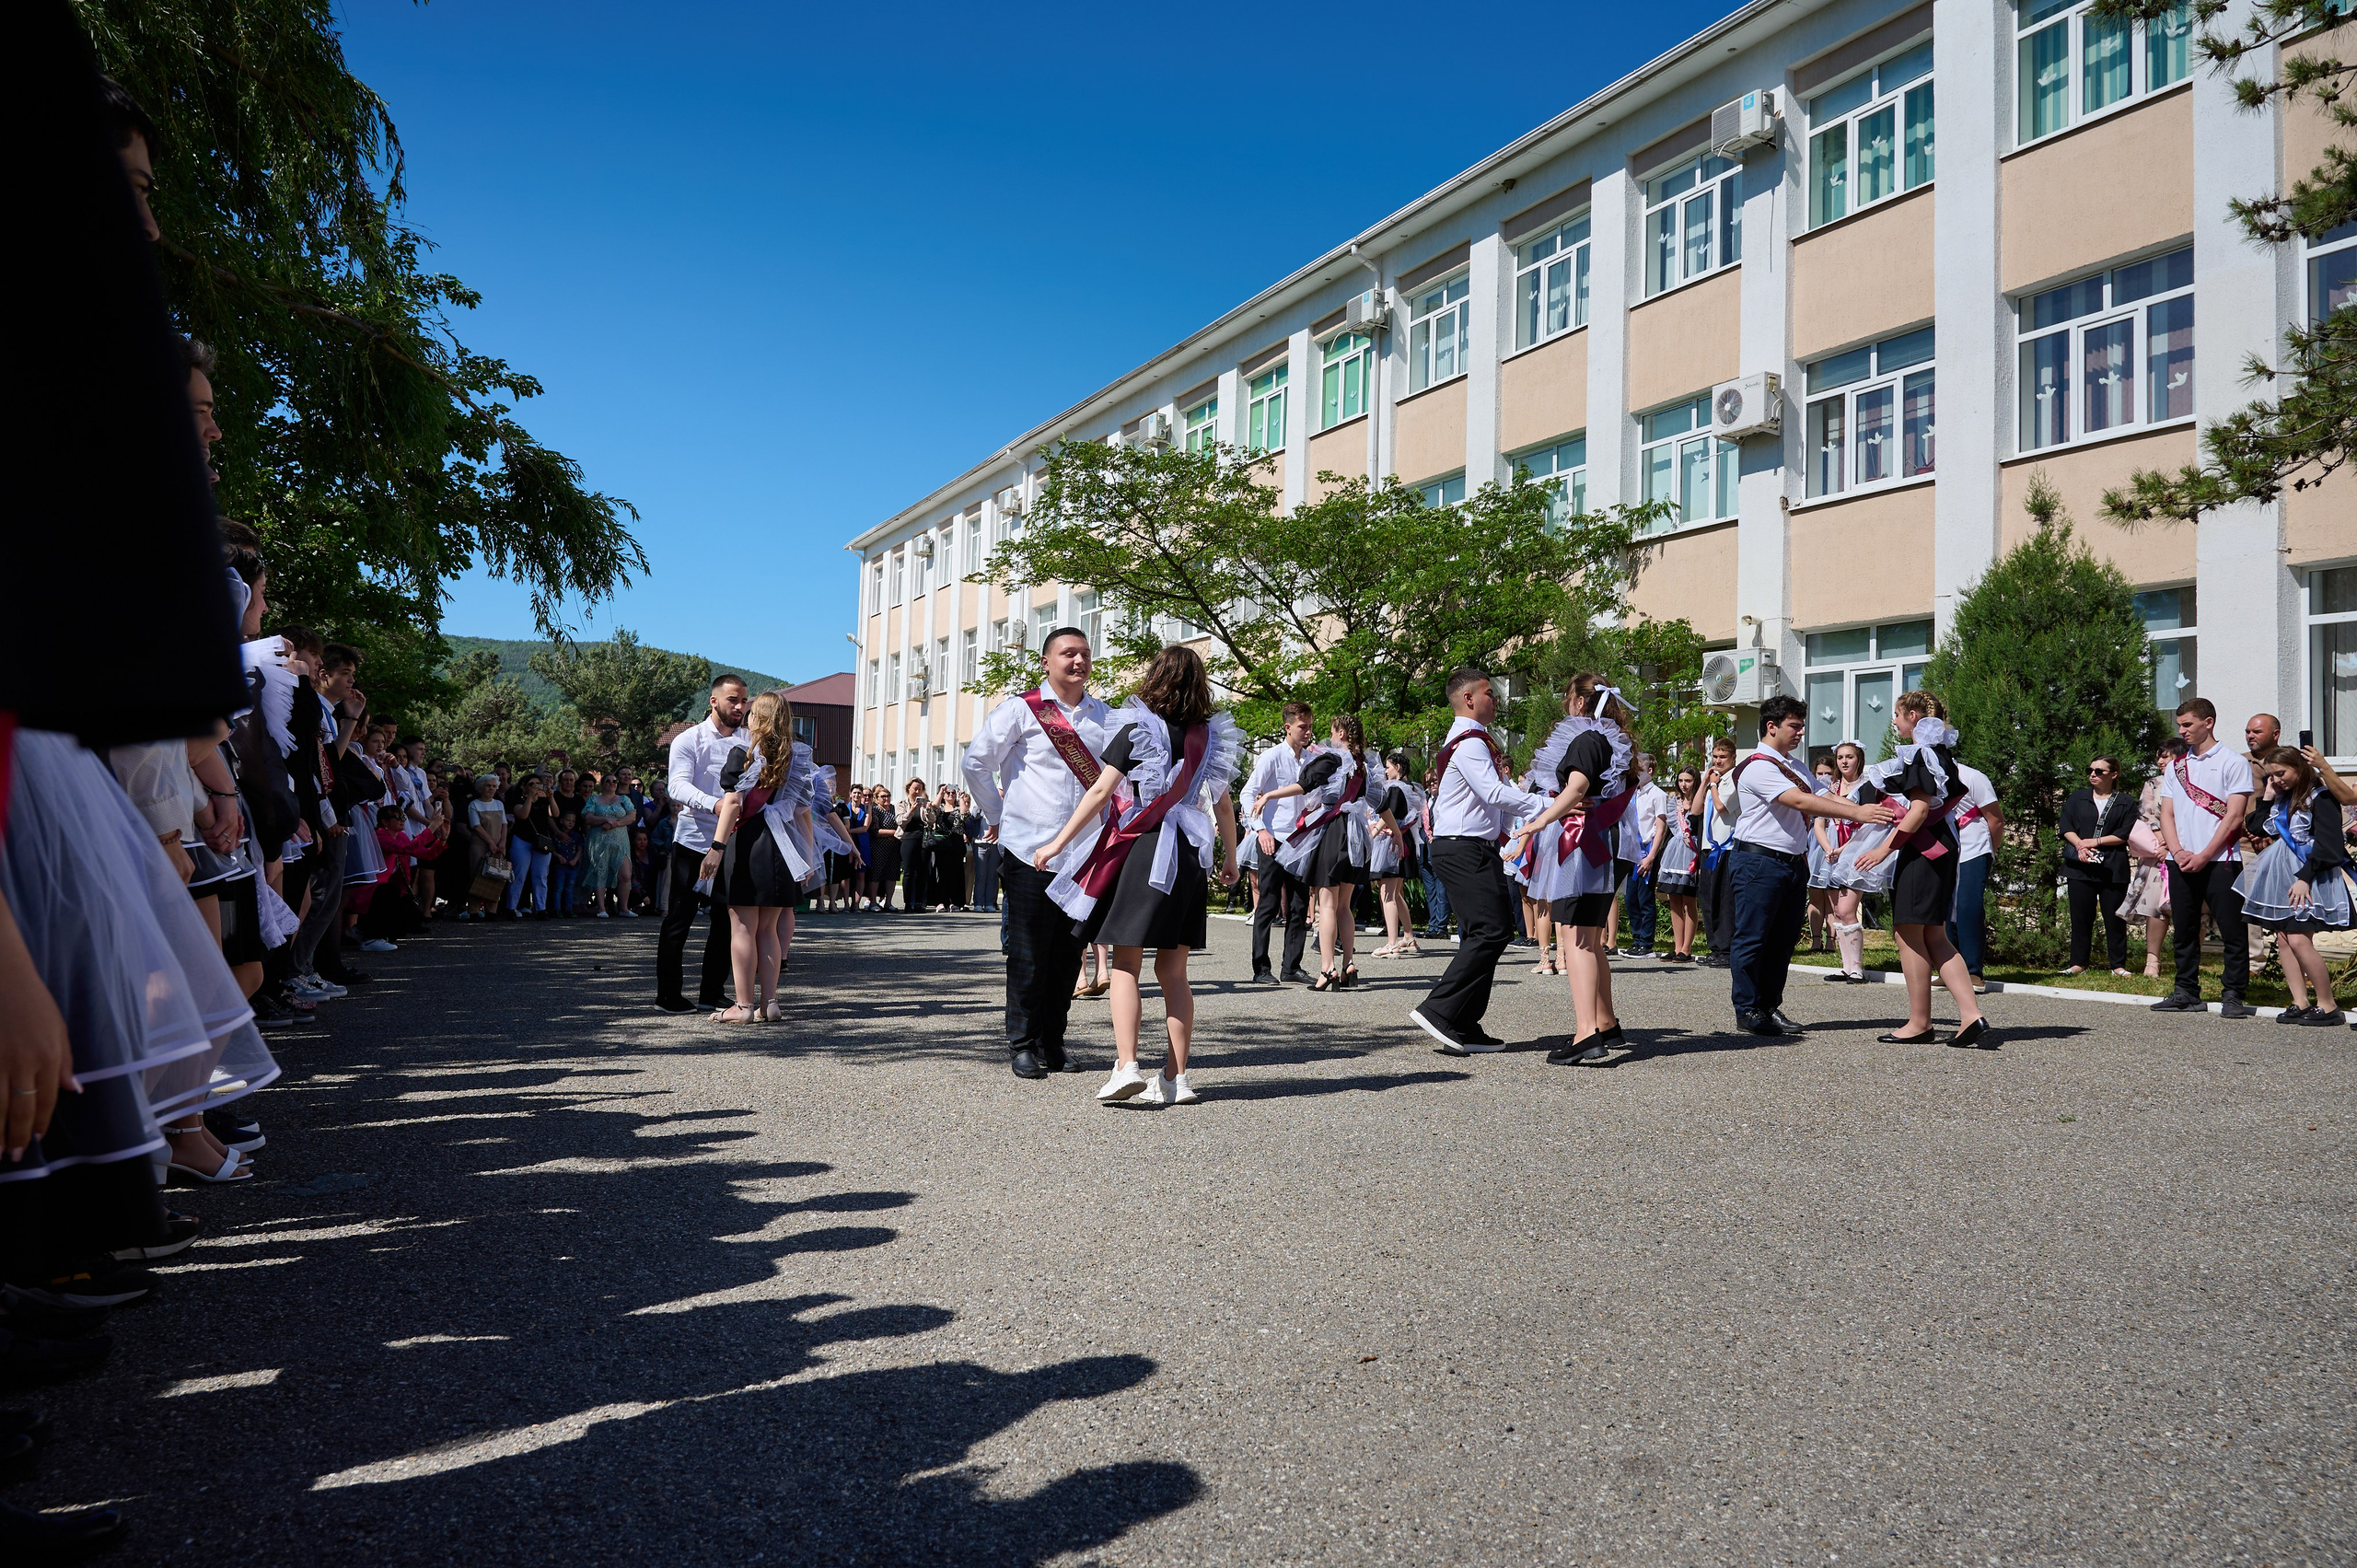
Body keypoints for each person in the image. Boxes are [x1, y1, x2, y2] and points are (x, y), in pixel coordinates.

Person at [1033, 645, 1242, 1105]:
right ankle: (1175, 1078)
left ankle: (1127, 1064)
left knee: (1126, 964)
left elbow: (1102, 788)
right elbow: (1223, 803)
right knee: (1174, 971)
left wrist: (1058, 843)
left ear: (1157, 679)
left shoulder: (1136, 726)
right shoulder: (1208, 735)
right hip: (1189, 854)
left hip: (1145, 849)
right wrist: (1231, 857)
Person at [962, 626, 1115, 1079]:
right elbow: (976, 762)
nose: (1078, 661)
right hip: (1030, 849)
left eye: (1085, 653)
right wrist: (997, 814)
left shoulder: (1104, 716)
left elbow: (1117, 779)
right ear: (1046, 662)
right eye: (1068, 653)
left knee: (1070, 953)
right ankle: (1022, 1043)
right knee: (1028, 951)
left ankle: (1054, 1040)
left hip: (1084, 852)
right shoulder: (1021, 710)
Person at [1724, 694, 1901, 1037]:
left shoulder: (1793, 765)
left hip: (1790, 863)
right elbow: (1801, 800)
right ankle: (1747, 1008)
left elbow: (1825, 794)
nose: (1800, 733)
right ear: (1771, 726)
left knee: (1783, 938)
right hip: (1758, 861)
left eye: (1802, 726)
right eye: (1794, 726)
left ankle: (1769, 1005)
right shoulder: (1759, 764)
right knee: (1753, 937)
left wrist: (1867, 804)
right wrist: (1856, 813)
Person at [1841, 691, 1991, 1046]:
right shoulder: (1940, 752)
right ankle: (1971, 1015)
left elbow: (1920, 810)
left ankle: (1920, 1022)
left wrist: (1883, 848)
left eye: (1896, 715)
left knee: (1909, 934)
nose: (1893, 722)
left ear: (1912, 715)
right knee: (1934, 934)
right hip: (1940, 847)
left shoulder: (1922, 753)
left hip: (1923, 850)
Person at [1408, 668, 1543, 1054]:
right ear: (1469, 698)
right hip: (1462, 847)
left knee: (1483, 932)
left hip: (1468, 846)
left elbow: (1488, 799)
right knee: (1492, 931)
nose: (1495, 699)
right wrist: (1552, 805)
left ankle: (1463, 1022)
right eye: (1489, 692)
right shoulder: (1470, 742)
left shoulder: (1473, 740)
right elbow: (1494, 793)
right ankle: (1440, 1010)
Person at [1508, 674, 1641, 1065]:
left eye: (1568, 697)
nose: (1566, 704)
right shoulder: (1610, 741)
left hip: (1585, 845)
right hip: (1602, 845)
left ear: (1580, 703)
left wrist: (1537, 822)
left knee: (1577, 937)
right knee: (1590, 937)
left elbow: (1577, 788)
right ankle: (1605, 1021)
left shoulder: (1587, 739)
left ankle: (1586, 1034)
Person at [704, 692, 822, 1023]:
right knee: (768, 930)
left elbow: (733, 805)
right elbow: (803, 814)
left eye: (752, 712)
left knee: (742, 927)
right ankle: (769, 1004)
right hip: (782, 848)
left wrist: (716, 847)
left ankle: (742, 1007)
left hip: (749, 844)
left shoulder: (743, 755)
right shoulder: (795, 760)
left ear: (759, 718)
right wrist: (808, 857)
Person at [1258, 714, 1394, 991]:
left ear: (1341, 733)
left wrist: (1270, 795)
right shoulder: (1361, 765)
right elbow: (1380, 803)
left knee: (1327, 904)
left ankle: (1328, 968)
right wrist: (1399, 834)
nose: (1329, 736)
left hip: (1333, 832)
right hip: (1354, 836)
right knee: (1344, 905)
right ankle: (1348, 964)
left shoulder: (1332, 759)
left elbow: (1305, 785)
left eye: (1333, 731)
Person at [2152, 698, 2257, 1016]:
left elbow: (2235, 816)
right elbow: (2166, 814)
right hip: (2180, 861)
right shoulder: (2178, 766)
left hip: (2220, 861)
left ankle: (2233, 993)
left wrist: (2205, 854)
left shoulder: (2233, 762)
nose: (2181, 730)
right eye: (2180, 725)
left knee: (2232, 929)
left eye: (2187, 724)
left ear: (2208, 722)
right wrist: (2179, 851)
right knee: (2184, 928)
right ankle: (2185, 990)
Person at [2235, 747, 2349, 1025]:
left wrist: (2304, 878)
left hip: (2309, 876)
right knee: (2284, 939)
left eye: (2281, 773)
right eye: (2272, 775)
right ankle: (2300, 1001)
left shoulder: (2320, 798)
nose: (2278, 779)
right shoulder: (2283, 799)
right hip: (2284, 875)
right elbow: (2258, 827)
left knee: (2299, 938)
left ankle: (2328, 1004)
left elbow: (2330, 846)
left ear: (2300, 768)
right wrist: (2267, 797)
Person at [657, 674, 750, 1013]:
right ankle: (667, 995)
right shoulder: (688, 740)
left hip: (732, 843)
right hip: (694, 840)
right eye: (732, 700)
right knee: (679, 920)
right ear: (714, 701)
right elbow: (677, 787)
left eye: (743, 701)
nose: (740, 707)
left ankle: (712, 991)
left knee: (726, 923)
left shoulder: (749, 742)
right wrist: (713, 804)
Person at [1241, 702, 1318, 984]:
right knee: (1269, 904)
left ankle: (1291, 966)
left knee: (1299, 906)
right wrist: (1260, 830)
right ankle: (1261, 968)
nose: (1308, 732)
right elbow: (1249, 795)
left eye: (1310, 726)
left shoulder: (1311, 759)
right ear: (1288, 727)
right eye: (1302, 727)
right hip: (1272, 839)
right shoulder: (1271, 757)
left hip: (1300, 842)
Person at [2060, 755, 2137, 975]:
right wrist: (2081, 846)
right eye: (2090, 770)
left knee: (2114, 917)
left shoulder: (2125, 802)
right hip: (2079, 865)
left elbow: (2125, 833)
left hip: (2112, 866)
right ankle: (2078, 963)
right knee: (2080, 916)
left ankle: (2118, 965)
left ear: (2114, 775)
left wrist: (2095, 842)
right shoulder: (2078, 798)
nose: (2093, 774)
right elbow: (2066, 826)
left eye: (2099, 771)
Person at [2118, 738, 2186, 977]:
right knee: (2156, 907)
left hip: (2189, 851)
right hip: (2158, 853)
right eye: (2159, 756)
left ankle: (2187, 962)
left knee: (2193, 910)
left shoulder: (2193, 782)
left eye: (2165, 756)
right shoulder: (2153, 784)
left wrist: (2176, 844)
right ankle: (2152, 960)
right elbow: (2146, 816)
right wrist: (2163, 842)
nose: (2159, 761)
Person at [1817, 741, 1880, 983]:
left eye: (1850, 757)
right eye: (1840, 757)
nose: (1844, 761)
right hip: (1831, 851)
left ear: (1859, 759)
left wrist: (1844, 849)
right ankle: (1846, 967)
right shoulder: (1829, 787)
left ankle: (1857, 968)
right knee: (1836, 912)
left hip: (1855, 850)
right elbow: (1819, 822)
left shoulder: (1867, 787)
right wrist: (1827, 848)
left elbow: (1869, 824)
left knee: (1846, 909)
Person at [1942, 757, 2003, 993]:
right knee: (1945, 908)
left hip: (1973, 847)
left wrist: (1989, 853)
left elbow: (1996, 819)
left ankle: (1973, 970)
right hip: (1943, 849)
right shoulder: (1929, 776)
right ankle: (1948, 970)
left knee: (1968, 906)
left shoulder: (1972, 776)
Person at [1370, 753, 1422, 958]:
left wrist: (1373, 833)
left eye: (1388, 766)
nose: (1386, 771)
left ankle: (1392, 943)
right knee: (1397, 892)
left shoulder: (1394, 788)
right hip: (1406, 839)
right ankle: (1408, 936)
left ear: (1398, 767)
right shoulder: (1414, 788)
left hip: (1393, 841)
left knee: (1387, 893)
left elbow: (1388, 813)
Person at [1694, 736, 1738, 966]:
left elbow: (1721, 807)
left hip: (1726, 847)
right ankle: (1714, 947)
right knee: (1708, 898)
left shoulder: (1733, 779)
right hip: (1708, 848)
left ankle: (1727, 949)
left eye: (1723, 757)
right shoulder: (1713, 779)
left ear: (1733, 758)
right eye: (1715, 756)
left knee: (1724, 899)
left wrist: (1713, 785)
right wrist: (1704, 782)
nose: (1718, 760)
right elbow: (1695, 809)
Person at [1620, 752, 1670, 958]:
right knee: (1631, 898)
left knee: (1645, 899)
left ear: (1650, 771)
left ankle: (1646, 942)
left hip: (1647, 851)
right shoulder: (1634, 794)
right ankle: (1636, 939)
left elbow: (1660, 828)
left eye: (1639, 769)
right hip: (1633, 852)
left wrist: (1651, 857)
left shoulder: (1658, 794)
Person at [1654, 765, 1703, 962]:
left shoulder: (1701, 801)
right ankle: (1676, 946)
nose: (1684, 784)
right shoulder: (1674, 802)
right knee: (1674, 899)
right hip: (1675, 852)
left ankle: (1686, 948)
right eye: (1681, 780)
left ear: (1695, 782)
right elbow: (1672, 828)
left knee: (1689, 900)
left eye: (1688, 780)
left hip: (1692, 852)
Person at [580, 773, 635, 917]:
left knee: (625, 874)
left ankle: (623, 908)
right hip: (599, 840)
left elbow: (632, 816)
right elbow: (588, 817)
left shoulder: (624, 799)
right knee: (600, 873)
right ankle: (601, 909)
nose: (612, 783)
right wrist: (605, 819)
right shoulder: (594, 799)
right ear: (602, 783)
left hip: (620, 841)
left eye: (614, 781)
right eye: (608, 781)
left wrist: (615, 823)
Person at [1805, 757, 1840, 953]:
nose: (1824, 777)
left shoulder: (1838, 792)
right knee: (1815, 895)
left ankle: (1832, 941)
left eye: (1828, 773)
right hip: (1816, 843)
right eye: (1820, 773)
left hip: (1836, 842)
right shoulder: (1811, 791)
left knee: (1833, 898)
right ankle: (1816, 940)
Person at [932, 781, 970, 910]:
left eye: (953, 793)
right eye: (948, 793)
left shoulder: (959, 808)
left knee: (956, 873)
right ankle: (941, 902)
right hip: (942, 842)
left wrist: (962, 797)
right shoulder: (940, 809)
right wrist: (941, 793)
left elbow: (965, 815)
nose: (951, 795)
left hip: (957, 843)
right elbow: (933, 809)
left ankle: (955, 902)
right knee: (942, 873)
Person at [900, 778, 934, 913]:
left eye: (920, 789)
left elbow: (932, 821)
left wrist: (927, 809)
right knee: (908, 872)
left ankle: (920, 902)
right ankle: (908, 902)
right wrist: (912, 810)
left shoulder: (925, 804)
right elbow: (900, 821)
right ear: (909, 789)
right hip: (908, 838)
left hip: (923, 839)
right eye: (915, 788)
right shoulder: (902, 804)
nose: (917, 791)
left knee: (922, 872)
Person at [547, 810, 584, 917]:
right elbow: (551, 848)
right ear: (562, 821)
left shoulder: (576, 836)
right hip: (560, 866)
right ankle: (556, 909)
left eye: (573, 821)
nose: (570, 823)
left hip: (572, 866)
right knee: (558, 887)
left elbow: (580, 848)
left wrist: (575, 860)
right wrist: (559, 856)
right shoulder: (556, 835)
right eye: (568, 820)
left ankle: (569, 909)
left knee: (570, 888)